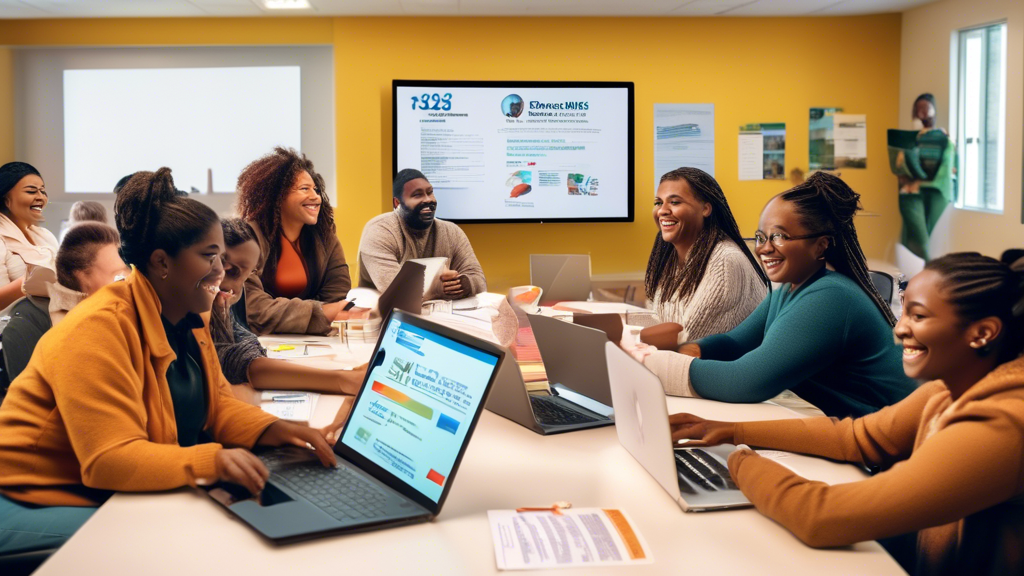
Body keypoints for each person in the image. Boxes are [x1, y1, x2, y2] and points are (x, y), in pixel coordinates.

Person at [0, 168, 336, 557]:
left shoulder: (190, 315)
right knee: (164, 547)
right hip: (31, 494)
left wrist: (278, 429)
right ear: (162, 262)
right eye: (210, 257)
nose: (221, 272)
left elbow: (218, 407)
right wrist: (213, 460)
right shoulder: (96, 330)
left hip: (98, 490)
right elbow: (109, 460)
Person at [670, 252, 1024, 576]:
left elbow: (818, 516)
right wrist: (730, 431)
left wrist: (738, 461)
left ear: (982, 333)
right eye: (904, 310)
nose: (899, 329)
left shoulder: (1004, 424)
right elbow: (856, 437)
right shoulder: (949, 388)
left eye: (918, 316)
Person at [634, 172, 916, 418]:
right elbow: (735, 342)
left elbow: (745, 380)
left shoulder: (829, 298)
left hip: (896, 444)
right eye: (760, 237)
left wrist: (644, 361)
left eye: (779, 236)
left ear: (821, 246)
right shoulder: (792, 287)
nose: (763, 248)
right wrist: (691, 351)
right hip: (851, 430)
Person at [212, 218, 366, 397]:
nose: (236, 288)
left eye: (246, 277)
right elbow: (239, 361)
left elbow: (245, 346)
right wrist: (344, 380)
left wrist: (346, 377)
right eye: (231, 271)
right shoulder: (196, 312)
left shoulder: (220, 306)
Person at [640, 167, 769, 350]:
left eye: (674, 202)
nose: (662, 211)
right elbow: (657, 319)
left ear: (706, 209)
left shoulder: (725, 261)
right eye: (658, 203)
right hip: (680, 367)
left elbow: (688, 343)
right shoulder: (670, 259)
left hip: (718, 374)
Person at [236, 148, 356, 335]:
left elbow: (339, 298)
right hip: (259, 343)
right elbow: (254, 309)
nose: (315, 197)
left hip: (317, 342)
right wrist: (322, 313)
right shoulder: (247, 237)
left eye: (316, 189)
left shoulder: (325, 238)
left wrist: (323, 314)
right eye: (304, 189)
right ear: (277, 196)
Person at [2, 223, 129, 384]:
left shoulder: (109, 316)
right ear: (83, 276)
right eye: (115, 275)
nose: (121, 283)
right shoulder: (32, 322)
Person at [358, 169, 486, 300]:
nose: (428, 200)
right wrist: (439, 287)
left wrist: (462, 284)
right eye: (417, 195)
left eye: (430, 192)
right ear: (397, 203)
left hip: (442, 315)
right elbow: (397, 290)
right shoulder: (380, 230)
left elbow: (479, 280)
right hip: (386, 315)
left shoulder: (452, 231)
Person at [899, 93, 957, 261]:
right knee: (918, 235)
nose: (923, 111)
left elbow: (951, 164)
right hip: (914, 190)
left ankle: (930, 270)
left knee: (935, 236)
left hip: (939, 189)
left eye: (926, 107)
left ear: (934, 109)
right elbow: (901, 164)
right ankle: (922, 270)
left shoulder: (944, 137)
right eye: (919, 108)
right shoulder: (912, 138)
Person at [0, 162, 58, 311]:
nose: (41, 198)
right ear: (6, 198)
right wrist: (31, 282)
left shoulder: (45, 236)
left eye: (43, 191)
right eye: (31, 191)